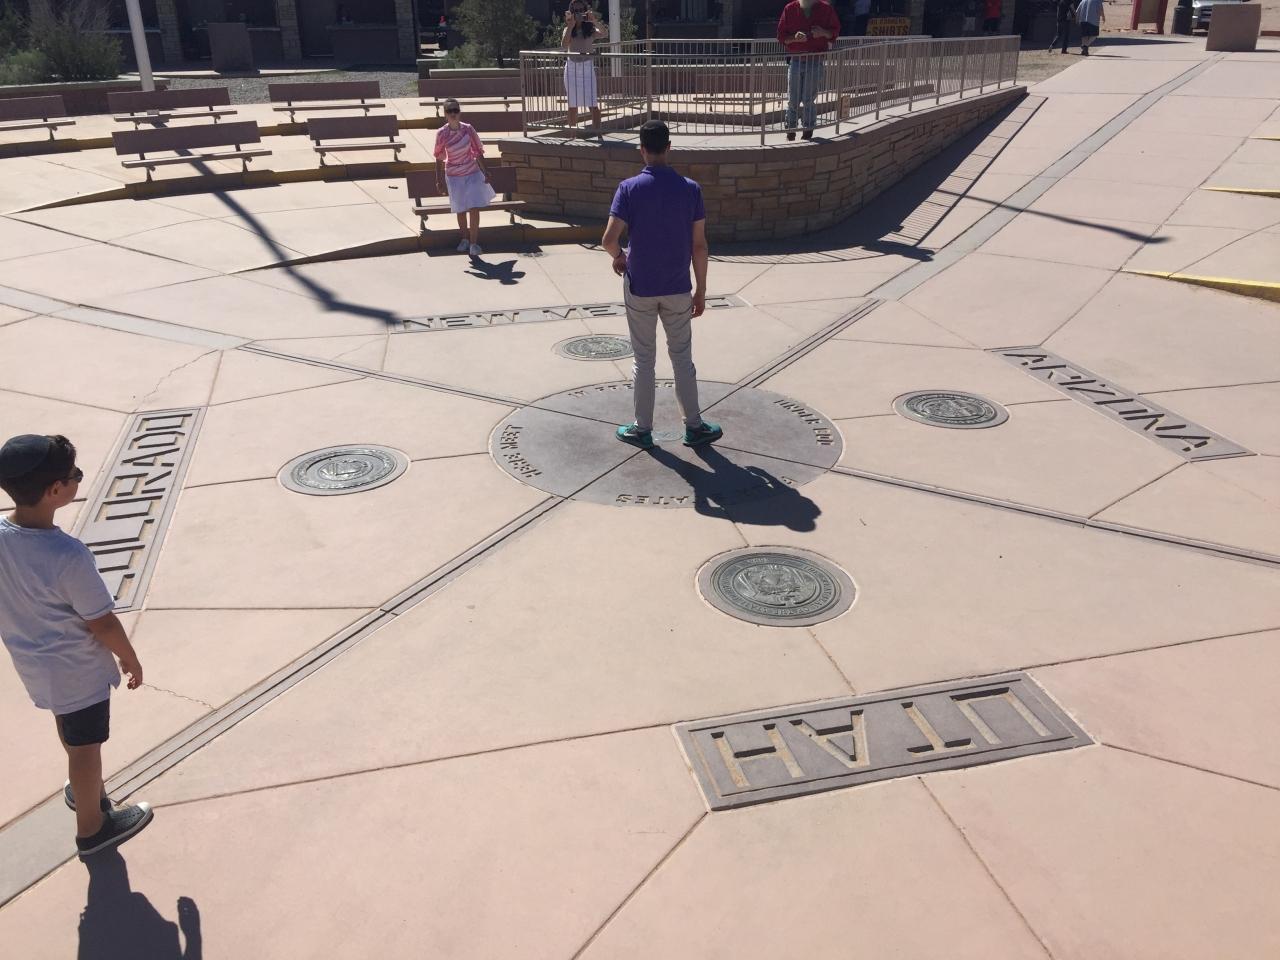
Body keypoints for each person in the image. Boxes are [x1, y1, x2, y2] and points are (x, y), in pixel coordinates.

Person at [0, 434, 153, 859]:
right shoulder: (67, 555)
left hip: (35, 664)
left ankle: (82, 787)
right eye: (75, 476)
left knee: (69, 727)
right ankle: (93, 828)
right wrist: (129, 657)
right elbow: (101, 621)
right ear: (55, 491)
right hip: (77, 668)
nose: (77, 480)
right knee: (87, 749)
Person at [601, 121, 722, 450]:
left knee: (644, 359)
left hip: (640, 285)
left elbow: (609, 239)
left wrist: (620, 258)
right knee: (682, 357)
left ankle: (642, 428)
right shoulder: (690, 189)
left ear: (641, 150)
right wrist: (701, 290)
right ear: (669, 147)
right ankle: (694, 426)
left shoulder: (628, 188)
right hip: (678, 286)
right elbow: (699, 245)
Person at [433, 98, 495, 257]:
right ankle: (464, 239)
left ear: (459, 112)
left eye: (456, 110)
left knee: (474, 207)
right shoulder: (441, 133)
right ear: (445, 114)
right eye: (450, 111)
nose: (453, 113)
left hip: (471, 172)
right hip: (454, 175)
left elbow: (477, 151)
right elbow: (439, 157)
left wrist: (486, 171)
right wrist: (439, 180)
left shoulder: (468, 129)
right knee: (460, 209)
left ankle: (474, 243)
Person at [776, 0, 841, 141]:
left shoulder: (826, 9)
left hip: (815, 61)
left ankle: (808, 129)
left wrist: (822, 32)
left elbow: (835, 32)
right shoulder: (790, 9)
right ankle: (790, 129)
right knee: (792, 99)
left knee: (808, 99)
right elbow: (781, 37)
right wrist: (794, 38)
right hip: (796, 60)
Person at [562, 1, 607, 136]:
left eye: (581, 10)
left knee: (593, 103)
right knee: (573, 104)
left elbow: (604, 33)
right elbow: (564, 45)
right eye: (576, 10)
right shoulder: (568, 29)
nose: (579, 13)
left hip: (587, 67)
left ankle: (598, 133)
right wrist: (570, 26)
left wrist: (594, 21)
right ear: (571, 12)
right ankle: (573, 135)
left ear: (585, 10)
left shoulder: (590, 29)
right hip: (572, 68)